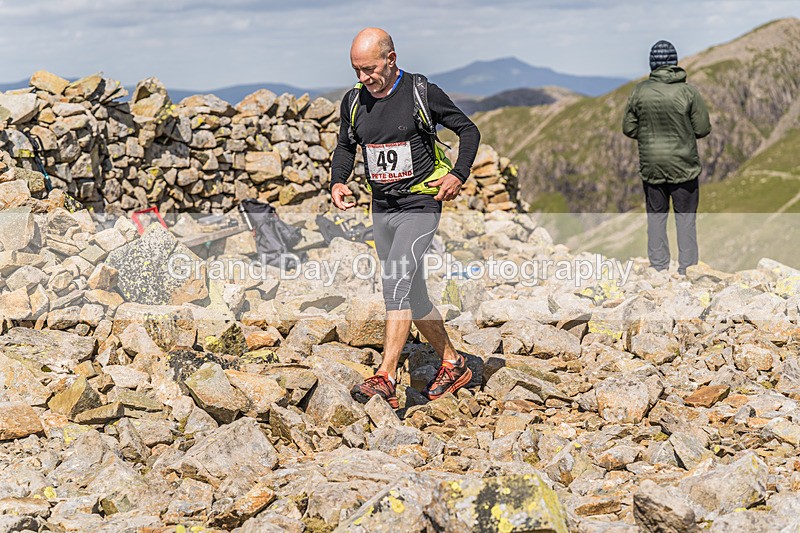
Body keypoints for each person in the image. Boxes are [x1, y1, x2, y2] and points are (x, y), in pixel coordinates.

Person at [330, 27, 480, 408]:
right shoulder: (353, 102)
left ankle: (385, 376)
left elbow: (468, 130)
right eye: (356, 71)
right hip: (383, 208)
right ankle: (453, 361)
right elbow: (346, 147)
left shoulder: (421, 92)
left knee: (394, 279)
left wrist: (458, 173)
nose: (363, 78)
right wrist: (337, 181)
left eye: (369, 69)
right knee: (412, 294)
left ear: (391, 59)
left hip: (420, 204)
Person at [623, 40, 711, 276]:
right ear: (674, 63)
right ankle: (687, 269)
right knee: (685, 218)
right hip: (683, 165)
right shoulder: (688, 92)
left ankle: (659, 267)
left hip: (652, 166)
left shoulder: (639, 91)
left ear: (653, 63)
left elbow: (629, 128)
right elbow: (702, 129)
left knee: (656, 216)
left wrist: (650, 133)